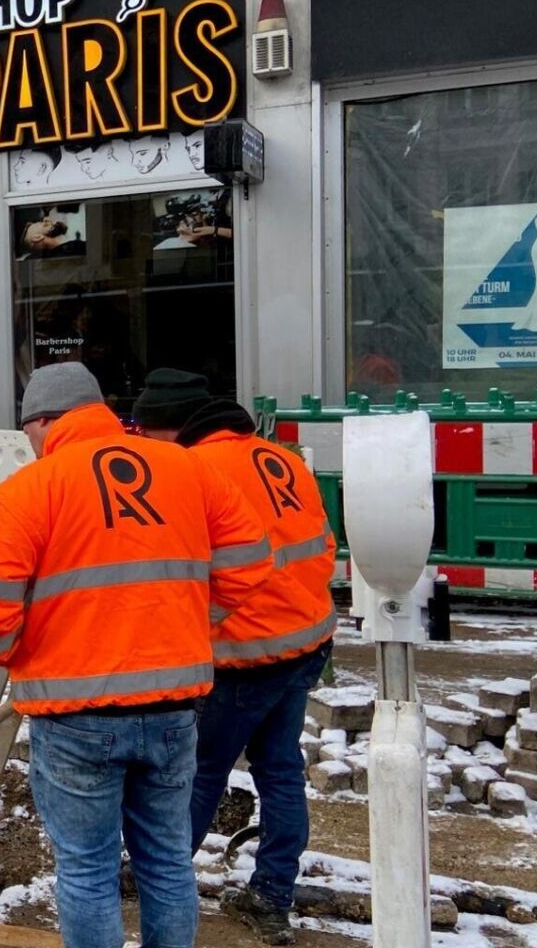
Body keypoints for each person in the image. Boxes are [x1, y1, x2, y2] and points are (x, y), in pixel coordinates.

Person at [0, 362, 275, 948]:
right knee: (168, 864)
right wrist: (194, 622)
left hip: (75, 715)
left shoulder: (26, 494)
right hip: (175, 707)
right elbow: (252, 560)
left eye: (29, 432)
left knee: (87, 872)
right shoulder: (190, 470)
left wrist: (14, 651)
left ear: (45, 422)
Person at [133, 368, 338, 946]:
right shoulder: (281, 458)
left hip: (243, 656)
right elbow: (324, 544)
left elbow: (184, 569)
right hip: (304, 642)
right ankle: (273, 895)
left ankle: (161, 883)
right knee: (280, 773)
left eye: (145, 435)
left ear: (168, 431)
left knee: (198, 775)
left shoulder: (192, 472)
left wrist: (190, 631)